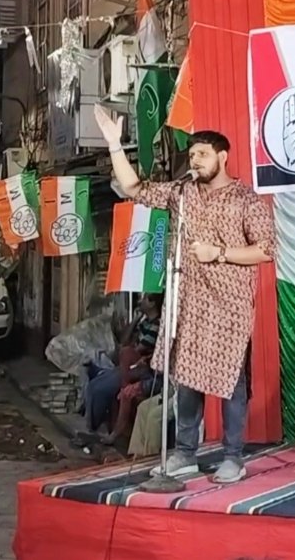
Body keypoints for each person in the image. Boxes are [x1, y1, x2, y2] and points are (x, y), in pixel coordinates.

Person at [93, 105, 275, 484]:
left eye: (203, 154)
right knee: (187, 378)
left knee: (230, 382)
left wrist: (219, 254)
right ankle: (185, 454)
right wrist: (113, 144)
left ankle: (233, 457)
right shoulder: (182, 193)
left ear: (222, 157)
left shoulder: (247, 199)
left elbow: (267, 249)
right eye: (192, 155)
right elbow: (133, 188)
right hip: (188, 302)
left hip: (230, 307)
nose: (195, 161)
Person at [82, 293, 162, 438]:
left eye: (144, 299)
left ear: (152, 303)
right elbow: (124, 342)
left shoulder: (156, 326)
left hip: (140, 370)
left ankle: (93, 427)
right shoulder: (144, 323)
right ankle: (92, 424)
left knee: (99, 389)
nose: (140, 301)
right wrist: (135, 321)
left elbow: (134, 351)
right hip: (128, 367)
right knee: (93, 382)